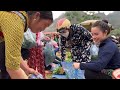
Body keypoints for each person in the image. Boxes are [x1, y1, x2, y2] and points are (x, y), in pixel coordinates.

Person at [0, 11, 53, 79]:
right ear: (36, 16)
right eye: (45, 25)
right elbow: (12, 69)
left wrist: (26, 69)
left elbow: (15, 54)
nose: (43, 29)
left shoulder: (18, 19)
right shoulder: (16, 22)